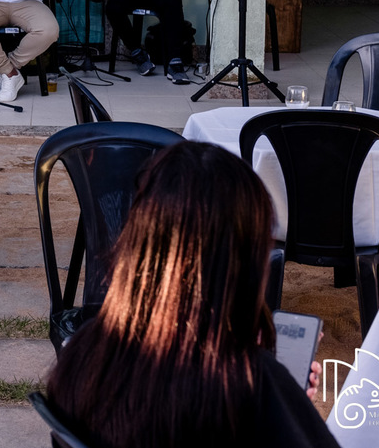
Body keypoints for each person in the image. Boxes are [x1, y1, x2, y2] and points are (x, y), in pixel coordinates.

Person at [45, 141, 335, 448]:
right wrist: (283, 401)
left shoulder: (82, 352)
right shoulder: (250, 384)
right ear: (241, 262)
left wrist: (282, 403)